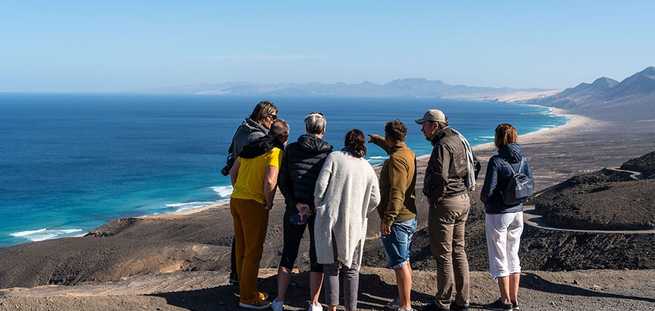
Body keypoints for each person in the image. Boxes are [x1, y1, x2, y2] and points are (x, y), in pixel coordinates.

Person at [416, 109, 479, 311]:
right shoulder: (459, 139)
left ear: (434, 125)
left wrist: (433, 198)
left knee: (443, 254)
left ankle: (442, 302)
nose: (421, 129)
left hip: (447, 203)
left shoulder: (442, 145)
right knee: (458, 251)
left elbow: (439, 177)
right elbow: (475, 164)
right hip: (463, 199)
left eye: (424, 125)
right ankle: (462, 300)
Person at [313, 129, 381, 311]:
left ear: (346, 141)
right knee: (351, 269)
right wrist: (361, 210)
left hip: (331, 220)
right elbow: (376, 197)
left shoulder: (335, 157)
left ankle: (332, 307)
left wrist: (320, 205)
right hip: (355, 224)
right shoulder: (367, 167)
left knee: (331, 267)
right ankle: (351, 308)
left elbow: (320, 187)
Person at [272, 112, 333, 311]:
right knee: (317, 255)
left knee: (289, 252)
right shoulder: (329, 153)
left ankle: (279, 300)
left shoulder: (291, 149)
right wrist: (314, 205)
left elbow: (283, 180)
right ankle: (314, 303)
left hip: (294, 209)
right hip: (318, 212)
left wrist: (295, 203)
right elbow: (330, 185)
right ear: (323, 130)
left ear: (306, 128)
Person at [229, 119, 288, 309]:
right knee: (253, 251)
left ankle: (245, 288)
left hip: (236, 200)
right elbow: (271, 181)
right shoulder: (275, 151)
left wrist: (240, 190)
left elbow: (233, 172)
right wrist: (268, 202)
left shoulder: (251, 146)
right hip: (254, 204)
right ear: (284, 136)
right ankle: (247, 298)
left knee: (241, 248)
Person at [221, 100, 278, 287]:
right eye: (273, 117)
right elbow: (264, 174)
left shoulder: (242, 129)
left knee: (240, 239)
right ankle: (246, 287)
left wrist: (237, 187)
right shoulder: (257, 137)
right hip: (252, 193)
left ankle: (236, 276)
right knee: (252, 245)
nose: (274, 121)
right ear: (264, 116)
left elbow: (234, 160)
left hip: (239, 190)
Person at [480, 124, 533, 311]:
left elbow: (488, 190)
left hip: (499, 214)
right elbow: (529, 184)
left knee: (499, 256)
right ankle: (514, 299)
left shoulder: (496, 161)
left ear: (499, 138)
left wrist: (485, 202)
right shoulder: (523, 159)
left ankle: (505, 302)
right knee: (513, 254)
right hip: (518, 212)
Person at [369, 120, 417, 311]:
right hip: (409, 216)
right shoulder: (407, 153)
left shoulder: (396, 159)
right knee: (404, 260)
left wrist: (388, 218)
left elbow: (397, 191)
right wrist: (379, 141)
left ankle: (405, 305)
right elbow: (393, 150)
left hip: (398, 219)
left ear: (390, 137)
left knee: (400, 263)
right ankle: (402, 298)